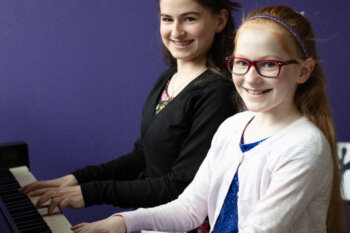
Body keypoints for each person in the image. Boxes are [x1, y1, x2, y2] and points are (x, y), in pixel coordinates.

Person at [70, 5, 347, 233]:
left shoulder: (304, 145)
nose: (251, 77)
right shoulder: (233, 127)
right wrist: (122, 222)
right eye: (242, 62)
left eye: (269, 64)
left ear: (303, 71)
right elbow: (189, 208)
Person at [20, 0, 239, 222]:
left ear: (220, 20)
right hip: (150, 219)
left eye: (189, 19)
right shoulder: (169, 77)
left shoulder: (218, 93)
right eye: (167, 19)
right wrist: (77, 179)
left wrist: (91, 193)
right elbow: (143, 155)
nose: (176, 32)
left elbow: (179, 186)